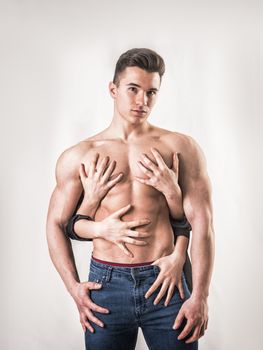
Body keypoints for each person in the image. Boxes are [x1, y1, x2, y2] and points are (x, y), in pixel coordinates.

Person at [46, 48, 215, 350]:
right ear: (113, 89)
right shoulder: (81, 155)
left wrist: (200, 295)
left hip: (166, 281)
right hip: (106, 284)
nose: (142, 101)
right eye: (133, 89)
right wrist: (74, 288)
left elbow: (202, 224)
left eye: (151, 92)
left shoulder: (180, 147)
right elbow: (57, 224)